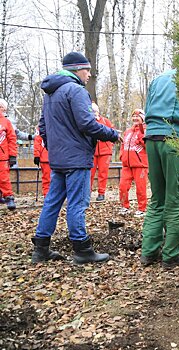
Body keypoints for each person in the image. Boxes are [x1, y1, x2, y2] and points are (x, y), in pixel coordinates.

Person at [31, 51, 119, 264]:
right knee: (77, 204)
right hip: (77, 158)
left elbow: (43, 127)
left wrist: (56, 147)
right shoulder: (76, 91)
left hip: (59, 158)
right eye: (86, 69)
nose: (89, 74)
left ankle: (41, 249)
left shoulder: (51, 93)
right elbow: (87, 124)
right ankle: (82, 249)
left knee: (52, 202)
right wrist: (113, 134)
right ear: (76, 69)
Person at [140, 69, 179, 269]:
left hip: (152, 139)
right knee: (176, 198)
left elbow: (147, 108)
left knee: (157, 198)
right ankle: (172, 255)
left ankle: (149, 252)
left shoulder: (157, 80)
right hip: (175, 139)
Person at [119, 108, 148, 217]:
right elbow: (123, 145)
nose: (135, 118)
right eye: (134, 116)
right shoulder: (128, 131)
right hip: (127, 165)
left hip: (140, 165)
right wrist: (122, 155)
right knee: (122, 186)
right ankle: (124, 206)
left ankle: (142, 208)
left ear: (142, 118)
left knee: (140, 188)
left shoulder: (145, 130)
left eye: (138, 116)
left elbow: (147, 146)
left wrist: (141, 138)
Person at [90, 102, 114, 201]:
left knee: (103, 173)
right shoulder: (89, 121)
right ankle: (87, 192)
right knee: (90, 173)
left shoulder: (105, 121)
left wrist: (110, 145)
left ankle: (101, 192)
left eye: (96, 111)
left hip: (105, 151)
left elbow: (112, 133)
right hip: (92, 151)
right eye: (92, 111)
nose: (95, 113)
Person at [0, 103, 17, 210]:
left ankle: (8, 196)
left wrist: (12, 155)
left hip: (3, 156)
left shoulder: (6, 122)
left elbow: (12, 139)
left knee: (4, 177)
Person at [33, 127, 51, 198]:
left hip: (55, 157)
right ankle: (47, 196)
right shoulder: (40, 128)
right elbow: (37, 141)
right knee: (47, 179)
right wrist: (37, 155)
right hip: (45, 157)